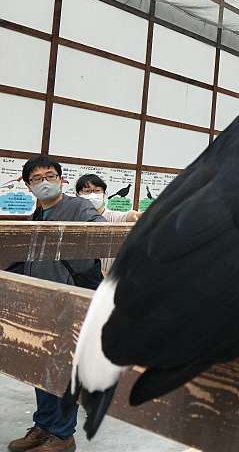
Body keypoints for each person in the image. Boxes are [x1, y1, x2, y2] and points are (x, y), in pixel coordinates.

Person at [7, 156, 105, 452]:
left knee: (63, 368)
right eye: (36, 179)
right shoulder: (32, 214)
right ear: (28, 185)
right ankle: (44, 426)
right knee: (39, 366)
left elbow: (100, 232)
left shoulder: (78, 207)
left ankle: (63, 435)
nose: (44, 182)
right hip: (39, 301)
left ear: (62, 179)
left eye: (50, 175)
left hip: (70, 300)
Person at [75, 174, 141, 274]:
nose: (93, 195)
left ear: (104, 194)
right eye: (87, 191)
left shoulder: (111, 217)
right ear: (78, 194)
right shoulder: (72, 217)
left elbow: (128, 216)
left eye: (97, 191)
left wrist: (138, 216)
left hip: (106, 277)